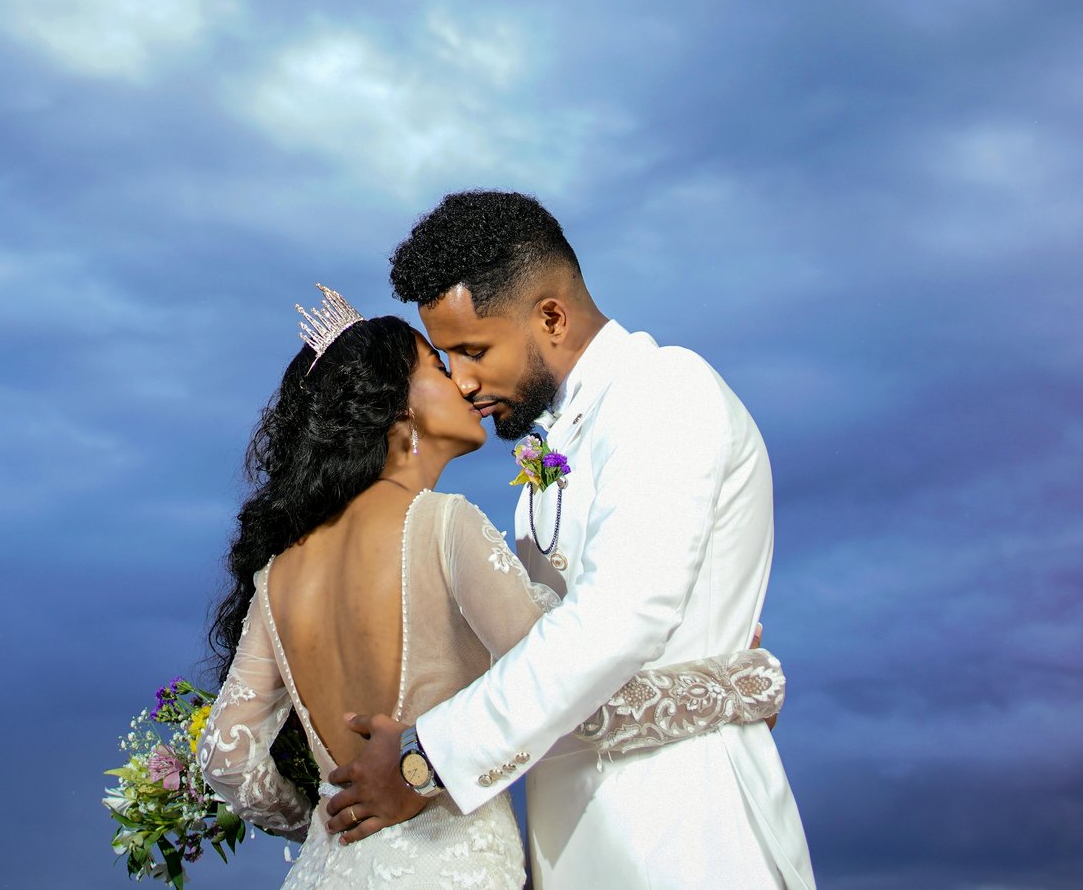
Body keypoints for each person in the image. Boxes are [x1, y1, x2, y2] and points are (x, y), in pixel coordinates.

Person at [199, 288, 783, 889]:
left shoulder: (278, 575)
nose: (462, 383)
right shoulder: (444, 527)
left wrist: (324, 819)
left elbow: (225, 755)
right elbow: (576, 701)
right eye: (437, 365)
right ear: (397, 410)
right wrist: (740, 686)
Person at [319, 192, 816, 889]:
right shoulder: (555, 442)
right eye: (449, 355)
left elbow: (617, 621)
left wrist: (424, 758)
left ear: (551, 315)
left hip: (684, 838)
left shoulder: (664, 391)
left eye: (474, 349)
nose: (461, 380)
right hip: (576, 846)